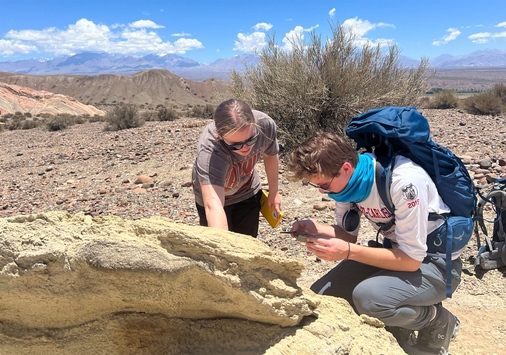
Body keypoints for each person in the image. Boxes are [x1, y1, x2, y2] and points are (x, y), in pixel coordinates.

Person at [286, 132, 462, 355]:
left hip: (435, 266)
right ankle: (397, 324)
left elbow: (411, 261)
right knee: (321, 296)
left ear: (347, 168)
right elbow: (347, 236)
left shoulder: (403, 183)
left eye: (324, 185)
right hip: (396, 255)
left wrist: (348, 252)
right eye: (317, 187)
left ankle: (438, 320)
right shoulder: (348, 187)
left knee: (368, 299)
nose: (323, 191)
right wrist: (316, 229)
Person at [192, 99, 281, 237]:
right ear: (219, 135)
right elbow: (213, 205)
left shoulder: (265, 126)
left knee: (248, 241)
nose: (245, 148)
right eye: (236, 145)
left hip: (247, 190)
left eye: (251, 140)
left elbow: (270, 156)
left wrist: (274, 192)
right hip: (213, 198)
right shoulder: (210, 151)